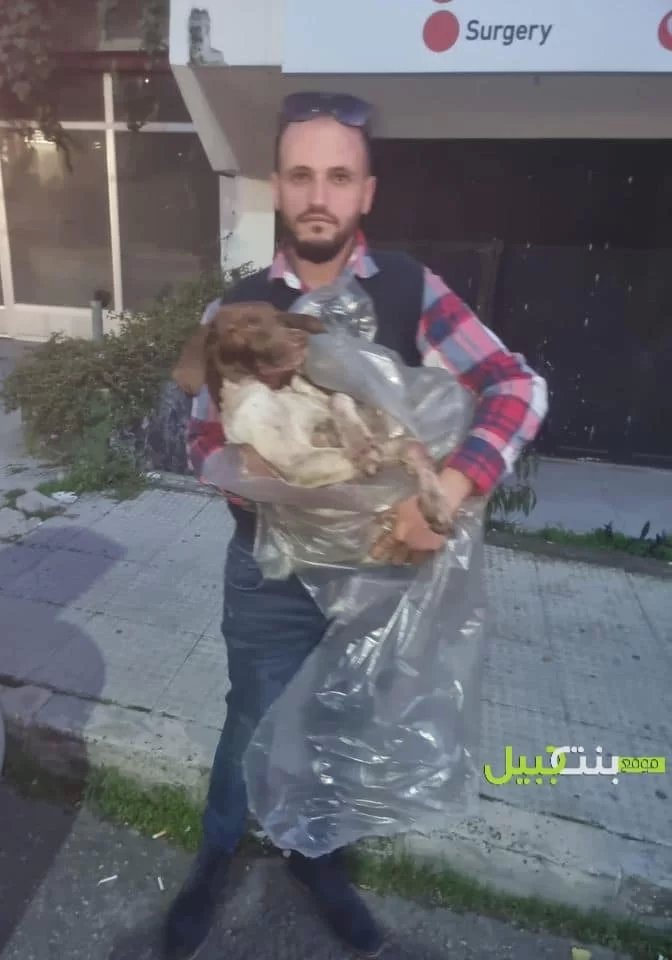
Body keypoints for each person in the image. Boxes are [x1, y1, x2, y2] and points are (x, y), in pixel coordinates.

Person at [164, 91, 548, 959]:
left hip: (381, 572)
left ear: (366, 192)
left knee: (339, 721)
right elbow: (199, 436)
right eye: (301, 175)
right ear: (276, 186)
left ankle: (319, 862)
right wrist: (257, 477)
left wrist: (449, 490)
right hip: (269, 570)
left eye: (339, 177)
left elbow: (517, 387)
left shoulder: (412, 290)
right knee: (252, 719)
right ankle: (215, 859)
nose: (318, 195)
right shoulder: (238, 309)